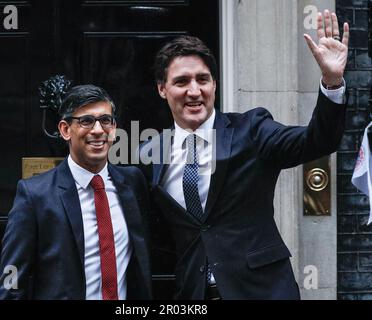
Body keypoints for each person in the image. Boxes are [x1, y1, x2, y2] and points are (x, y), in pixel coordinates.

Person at [139, 10, 349, 299]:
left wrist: (332, 82)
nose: (194, 90)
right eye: (181, 81)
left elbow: (316, 141)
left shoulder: (252, 129)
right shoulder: (149, 152)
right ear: (162, 89)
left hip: (262, 290)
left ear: (214, 84)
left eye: (203, 79)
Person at [0, 84, 152, 300]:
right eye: (86, 121)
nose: (98, 130)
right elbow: (11, 280)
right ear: (65, 130)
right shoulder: (34, 195)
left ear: (114, 127)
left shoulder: (133, 183)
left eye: (105, 120)